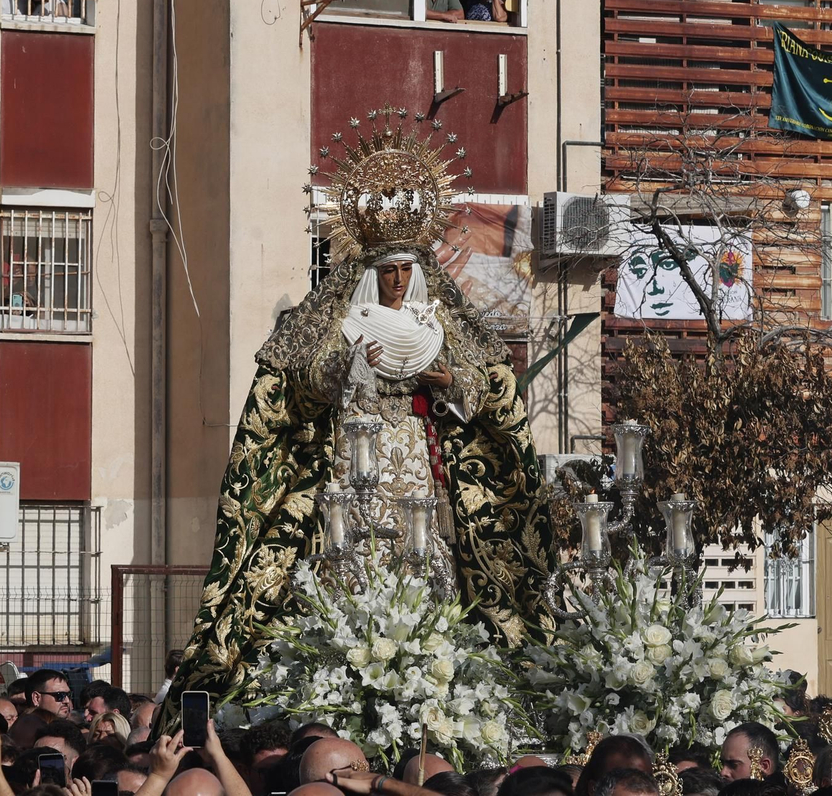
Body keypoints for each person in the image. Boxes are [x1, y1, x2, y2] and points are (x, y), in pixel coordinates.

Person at [158, 111, 551, 732]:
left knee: (428, 568)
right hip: (350, 470)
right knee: (341, 565)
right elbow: (303, 385)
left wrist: (437, 380)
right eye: (387, 270)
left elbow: (483, 393)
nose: (397, 281)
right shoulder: (339, 324)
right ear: (370, 272)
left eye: (405, 270)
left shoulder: (437, 325)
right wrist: (345, 367)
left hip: (420, 472)